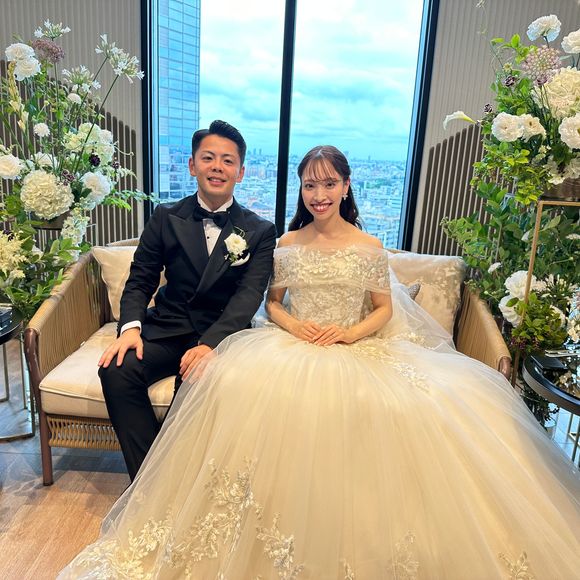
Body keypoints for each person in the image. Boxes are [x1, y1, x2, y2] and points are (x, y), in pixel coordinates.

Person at [61, 146, 580, 579]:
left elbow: (383, 309)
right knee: (225, 387)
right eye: (310, 185)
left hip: (354, 347)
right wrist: (295, 326)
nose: (319, 193)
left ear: (346, 187)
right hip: (289, 343)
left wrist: (349, 333)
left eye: (329, 183)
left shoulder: (368, 247)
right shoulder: (285, 242)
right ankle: (164, 489)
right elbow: (271, 303)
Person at [98, 120, 277, 480]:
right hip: (168, 326)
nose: (217, 167)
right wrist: (130, 328)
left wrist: (209, 344)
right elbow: (141, 277)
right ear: (193, 166)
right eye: (208, 158)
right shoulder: (166, 217)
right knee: (116, 369)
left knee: (196, 382)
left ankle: (175, 483)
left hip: (220, 336)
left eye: (227, 161)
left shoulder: (259, 230)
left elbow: (248, 297)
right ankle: (149, 482)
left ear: (241, 173)